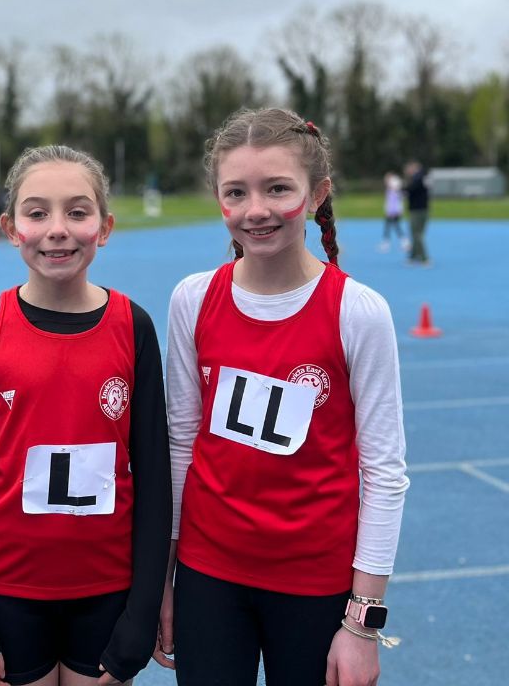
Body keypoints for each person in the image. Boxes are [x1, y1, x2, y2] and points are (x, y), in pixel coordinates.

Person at [156, 108, 409, 686]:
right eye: (236, 192)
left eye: (277, 189)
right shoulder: (192, 300)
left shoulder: (358, 312)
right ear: (219, 200)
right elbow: (181, 445)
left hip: (316, 586)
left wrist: (362, 624)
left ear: (317, 194)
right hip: (208, 577)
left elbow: (384, 471)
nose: (256, 210)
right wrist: (163, 582)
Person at [0, 145, 171, 686]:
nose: (58, 229)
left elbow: (154, 481)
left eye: (78, 211)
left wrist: (141, 617)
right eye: (38, 212)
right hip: (10, 591)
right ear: (10, 228)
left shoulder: (133, 327)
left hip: (107, 589)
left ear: (104, 227)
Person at [403, 160, 431, 264]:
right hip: (421, 209)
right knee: (416, 233)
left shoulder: (418, 178)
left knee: (416, 234)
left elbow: (410, 189)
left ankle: (424, 258)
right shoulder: (422, 177)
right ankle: (413, 256)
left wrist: (400, 188)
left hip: (417, 210)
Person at [379, 172, 408, 252]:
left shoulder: (394, 190)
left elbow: (396, 202)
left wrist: (392, 212)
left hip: (393, 212)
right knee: (393, 226)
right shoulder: (390, 190)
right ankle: (404, 242)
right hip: (391, 211)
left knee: (392, 226)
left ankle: (387, 243)